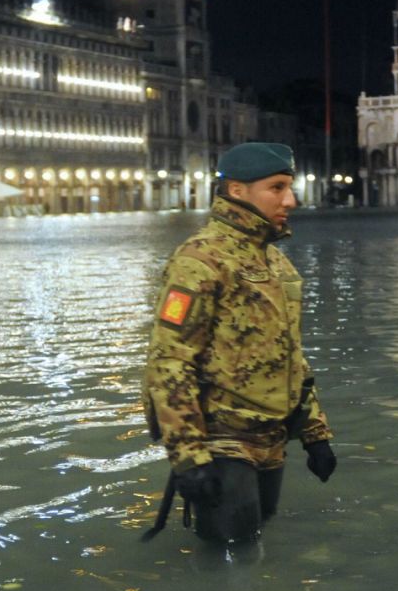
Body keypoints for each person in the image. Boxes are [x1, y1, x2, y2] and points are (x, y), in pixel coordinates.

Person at [142, 142, 337, 544]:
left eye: (290, 186)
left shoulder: (276, 262)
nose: (291, 199)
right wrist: (189, 457)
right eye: (277, 187)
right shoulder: (199, 260)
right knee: (232, 553)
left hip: (271, 437)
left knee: (255, 539)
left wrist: (315, 433)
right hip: (221, 438)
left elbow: (289, 354)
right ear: (236, 191)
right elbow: (169, 360)